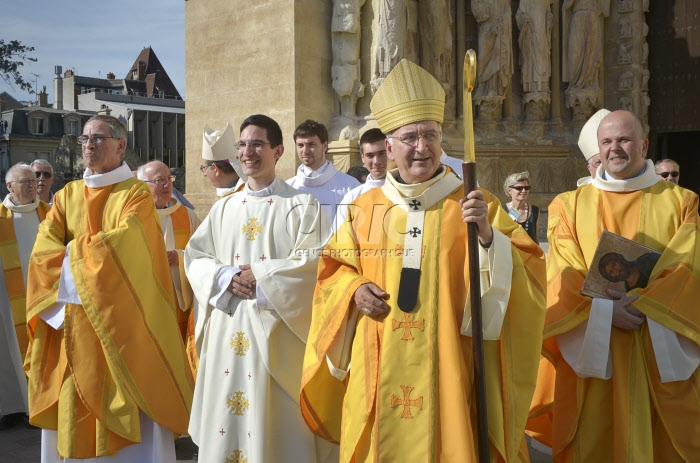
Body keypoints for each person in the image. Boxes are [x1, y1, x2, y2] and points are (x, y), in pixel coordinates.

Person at [300, 59, 546, 462]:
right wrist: (355, 288)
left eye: (430, 135)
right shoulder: (364, 208)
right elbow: (333, 271)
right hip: (379, 361)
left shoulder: (473, 202)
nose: (422, 147)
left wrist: (487, 236)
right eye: (410, 137)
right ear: (390, 146)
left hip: (452, 365)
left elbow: (532, 270)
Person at [26, 115, 194, 462]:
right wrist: (80, 258)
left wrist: (71, 253)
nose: (88, 145)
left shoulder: (136, 194)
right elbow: (43, 252)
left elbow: (126, 246)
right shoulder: (67, 195)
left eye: (98, 138)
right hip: (72, 326)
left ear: (121, 145)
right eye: (84, 138)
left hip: (123, 330)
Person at [545, 110, 700, 461]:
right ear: (598, 151)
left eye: (624, 140)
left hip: (657, 343)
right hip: (591, 345)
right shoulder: (567, 206)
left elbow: (686, 265)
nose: (615, 148)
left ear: (644, 145)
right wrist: (603, 311)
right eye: (607, 142)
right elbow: (564, 271)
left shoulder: (682, 202)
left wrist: (641, 305)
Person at [184, 114, 333, 463]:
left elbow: (316, 263)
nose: (247, 152)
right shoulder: (223, 208)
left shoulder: (302, 206)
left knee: (274, 429)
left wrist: (261, 276)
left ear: (278, 151)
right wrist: (223, 278)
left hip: (276, 337)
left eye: (257, 144)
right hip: (228, 334)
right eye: (242, 144)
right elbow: (196, 256)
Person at [137, 160, 201, 373]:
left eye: (168, 179)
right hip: (143, 299)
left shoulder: (186, 215)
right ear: (142, 185)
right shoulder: (131, 217)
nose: (167, 185)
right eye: (159, 180)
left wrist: (181, 258)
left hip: (177, 298)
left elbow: (204, 254)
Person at [0, 164, 50, 430]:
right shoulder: (0, 217)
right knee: (7, 352)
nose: (34, 185)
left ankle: (41, 405)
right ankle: (11, 408)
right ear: (10, 187)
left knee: (43, 349)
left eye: (35, 180)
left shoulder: (49, 214)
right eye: (26, 181)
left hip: (45, 298)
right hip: (7, 299)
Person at [286, 119, 360, 223]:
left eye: (311, 145)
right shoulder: (288, 187)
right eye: (300, 145)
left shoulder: (350, 186)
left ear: (325, 146)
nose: (305, 151)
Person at [333, 128, 388, 229]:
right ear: (362, 157)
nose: (376, 161)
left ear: (390, 151)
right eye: (370, 155)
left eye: (381, 154)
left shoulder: (407, 190)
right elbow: (340, 238)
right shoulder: (352, 198)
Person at [201, 123, 246, 197]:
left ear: (215, 169)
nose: (204, 174)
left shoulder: (241, 196)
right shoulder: (251, 188)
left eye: (204, 168)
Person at [576, 108, 610, 186]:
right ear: (590, 169)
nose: (605, 168)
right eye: (599, 162)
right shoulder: (576, 198)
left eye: (610, 160)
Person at [502, 171, 540, 243]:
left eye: (527, 188)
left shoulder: (535, 210)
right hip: (510, 252)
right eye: (519, 188)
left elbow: (536, 237)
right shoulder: (502, 210)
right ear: (509, 190)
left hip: (530, 253)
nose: (524, 191)